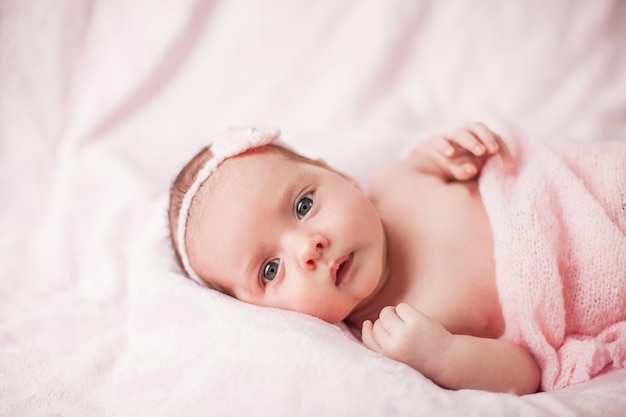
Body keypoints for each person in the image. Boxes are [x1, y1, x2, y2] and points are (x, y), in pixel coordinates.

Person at [167, 124, 626, 394]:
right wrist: (446, 356)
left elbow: (451, 157)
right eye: (271, 269)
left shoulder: (397, 180)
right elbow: (528, 372)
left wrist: (459, 148)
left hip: (580, 188)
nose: (308, 248)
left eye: (304, 205)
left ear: (339, 175)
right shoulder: (399, 335)